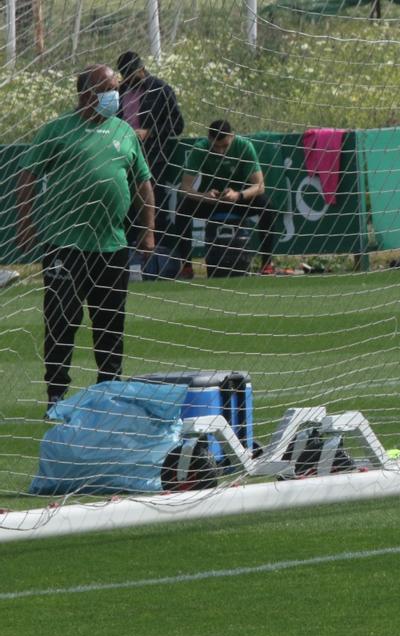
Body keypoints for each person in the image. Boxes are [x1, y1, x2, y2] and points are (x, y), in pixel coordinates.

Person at [13, 64, 156, 411]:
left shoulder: (124, 131)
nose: (114, 96)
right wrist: (25, 223)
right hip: (66, 245)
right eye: (108, 89)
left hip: (112, 246)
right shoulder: (57, 130)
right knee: (61, 321)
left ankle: (110, 392)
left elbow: (142, 184)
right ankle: (56, 394)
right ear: (85, 94)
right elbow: (28, 176)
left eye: (116, 89)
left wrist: (148, 230)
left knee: (111, 323)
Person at [116, 50, 185, 279]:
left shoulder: (161, 90)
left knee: (154, 208)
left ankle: (159, 264)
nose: (126, 79)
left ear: (141, 69)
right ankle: (124, 264)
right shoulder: (119, 92)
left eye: (130, 74)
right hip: (122, 156)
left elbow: (177, 125)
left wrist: (150, 132)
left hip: (152, 159)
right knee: (123, 208)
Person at [177, 120, 277, 274]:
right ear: (209, 138)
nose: (221, 151)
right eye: (216, 147)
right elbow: (185, 188)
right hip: (212, 200)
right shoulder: (199, 149)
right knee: (182, 210)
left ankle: (267, 264)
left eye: (225, 146)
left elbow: (260, 186)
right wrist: (205, 196)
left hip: (239, 199)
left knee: (267, 206)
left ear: (231, 136)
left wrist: (239, 195)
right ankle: (186, 266)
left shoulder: (244, 146)